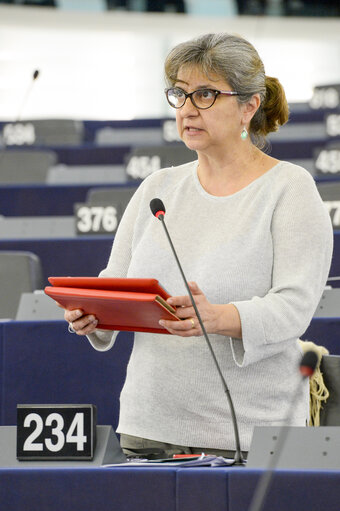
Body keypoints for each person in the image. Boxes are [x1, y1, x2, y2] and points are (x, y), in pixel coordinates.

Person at [64, 33, 333, 459]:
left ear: (250, 105)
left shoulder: (289, 189)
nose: (187, 109)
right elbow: (114, 284)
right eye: (180, 94)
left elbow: (295, 306)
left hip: (250, 434)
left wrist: (220, 317)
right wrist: (96, 316)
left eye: (205, 94)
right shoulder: (158, 188)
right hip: (147, 427)